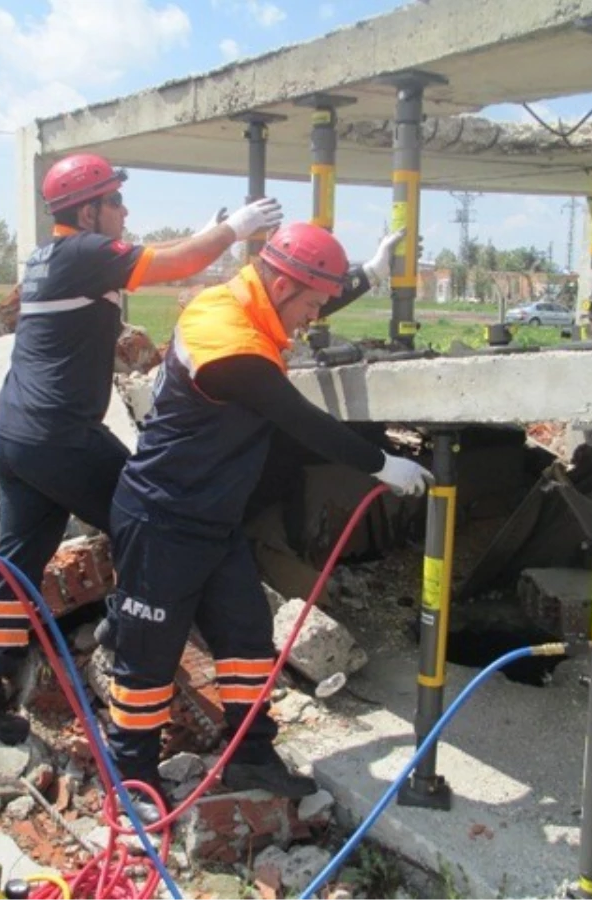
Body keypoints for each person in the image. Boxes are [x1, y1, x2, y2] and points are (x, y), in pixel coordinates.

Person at [0, 152, 286, 743]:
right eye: (117, 201)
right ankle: (126, 626)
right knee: (151, 519)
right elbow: (173, 263)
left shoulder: (54, 256)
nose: (125, 211)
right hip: (59, 437)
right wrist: (234, 230)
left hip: (16, 436)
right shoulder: (85, 251)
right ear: (88, 209)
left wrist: (206, 236)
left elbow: (172, 269)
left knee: (17, 567)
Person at [105, 222, 433, 804]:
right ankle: (131, 780)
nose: (314, 318)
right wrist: (382, 464)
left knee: (247, 638)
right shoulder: (226, 337)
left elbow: (302, 299)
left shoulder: (251, 303)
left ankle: (250, 757)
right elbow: (300, 419)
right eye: (312, 305)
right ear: (282, 288)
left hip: (212, 519)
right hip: (162, 518)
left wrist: (370, 273)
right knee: (148, 658)